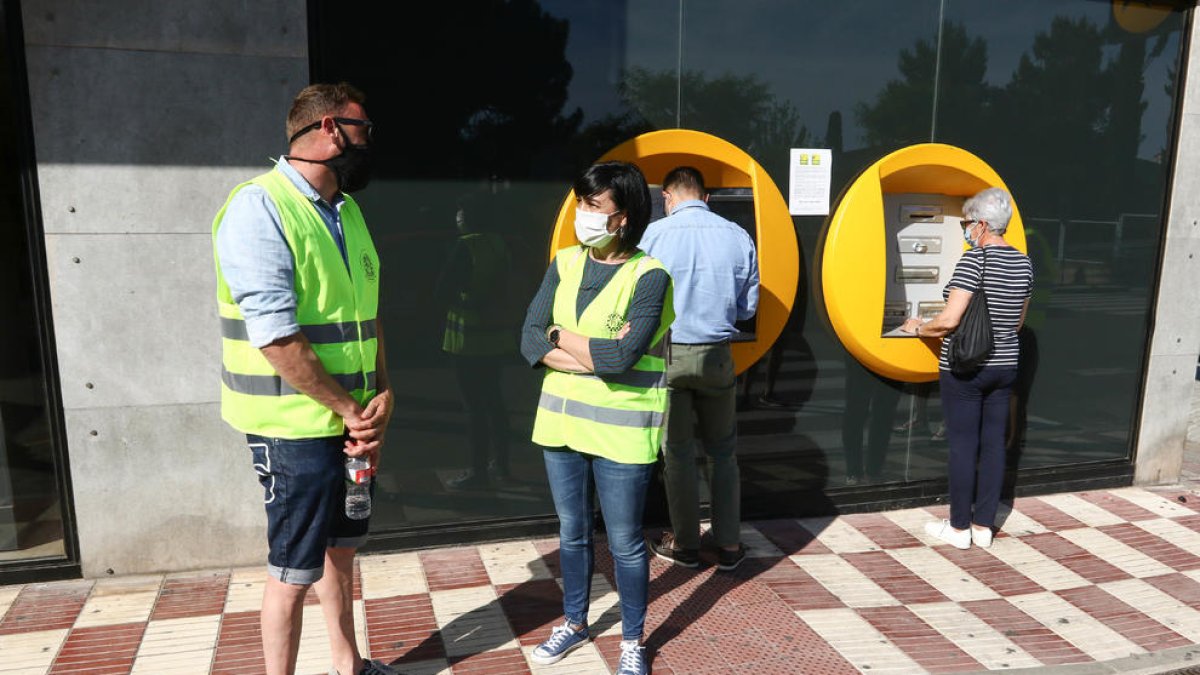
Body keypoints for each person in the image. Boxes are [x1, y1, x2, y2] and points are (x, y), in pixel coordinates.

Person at [212, 83, 396, 675]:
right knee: (293, 569)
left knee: (341, 552)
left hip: (351, 421)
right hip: (292, 427)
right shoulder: (258, 207)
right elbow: (276, 338)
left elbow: (368, 314)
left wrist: (381, 394)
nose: (370, 141)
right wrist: (350, 409)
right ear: (330, 130)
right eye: (364, 128)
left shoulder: (347, 209)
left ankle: (350, 666)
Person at [520, 161, 673, 675]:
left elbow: (620, 359)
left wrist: (558, 337)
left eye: (593, 206)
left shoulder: (650, 276)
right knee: (572, 532)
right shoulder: (564, 263)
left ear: (622, 217)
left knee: (627, 543)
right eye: (581, 203)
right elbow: (527, 340)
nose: (582, 215)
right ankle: (574, 621)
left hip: (623, 431)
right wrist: (581, 346)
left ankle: (632, 638)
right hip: (561, 426)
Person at [639, 166, 759, 571]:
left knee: (677, 454)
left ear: (668, 198)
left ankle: (686, 545)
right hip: (717, 354)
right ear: (705, 198)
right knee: (723, 452)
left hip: (667, 354)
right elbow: (748, 309)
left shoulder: (654, 235)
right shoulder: (737, 235)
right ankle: (728, 545)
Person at [900, 187, 1033, 550]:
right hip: (1005, 365)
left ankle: (958, 528)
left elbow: (949, 321)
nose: (965, 228)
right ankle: (983, 527)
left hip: (967, 368)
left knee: (962, 446)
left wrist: (918, 328)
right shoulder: (1023, 262)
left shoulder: (975, 260)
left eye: (966, 222)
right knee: (993, 445)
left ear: (982, 224)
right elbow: (1018, 322)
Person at [437, 197, 513, 490]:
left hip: (468, 341)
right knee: (496, 403)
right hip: (497, 338)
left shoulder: (464, 246)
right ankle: (502, 466)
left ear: (466, 218)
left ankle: (477, 471)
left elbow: (441, 290)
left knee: (474, 408)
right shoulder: (498, 243)